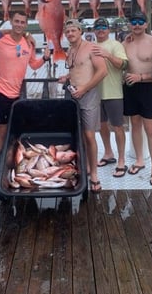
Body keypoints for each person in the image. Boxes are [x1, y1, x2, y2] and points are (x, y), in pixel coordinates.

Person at [58, 19, 107, 192]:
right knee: (76, 132)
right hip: (72, 94)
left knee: (89, 135)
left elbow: (103, 71)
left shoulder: (91, 47)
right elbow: (76, 70)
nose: (70, 34)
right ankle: (84, 166)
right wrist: (67, 77)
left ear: (80, 31)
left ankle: (94, 174)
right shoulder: (70, 50)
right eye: (67, 31)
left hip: (88, 94)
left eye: (73, 30)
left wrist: (84, 88)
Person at [0, 11, 51, 154]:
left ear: (26, 24)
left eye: (22, 22)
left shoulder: (28, 43)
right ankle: (2, 160)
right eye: (16, 21)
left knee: (17, 129)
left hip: (19, 94)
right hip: (1, 93)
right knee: (2, 130)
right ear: (11, 21)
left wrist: (45, 58)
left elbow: (33, 65)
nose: (19, 25)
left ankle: (13, 156)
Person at [122, 11, 152, 186]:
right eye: (133, 21)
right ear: (130, 24)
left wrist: (142, 77)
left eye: (140, 21)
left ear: (146, 24)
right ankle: (140, 160)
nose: (137, 24)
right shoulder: (124, 43)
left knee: (151, 130)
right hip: (130, 88)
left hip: (148, 88)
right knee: (135, 125)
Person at [91, 17, 129, 177]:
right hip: (95, 94)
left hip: (114, 93)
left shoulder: (116, 45)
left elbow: (125, 65)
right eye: (98, 27)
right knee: (102, 126)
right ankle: (108, 153)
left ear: (109, 30)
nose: (101, 29)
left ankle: (121, 160)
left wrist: (108, 55)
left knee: (118, 127)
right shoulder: (90, 47)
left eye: (104, 27)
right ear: (93, 30)